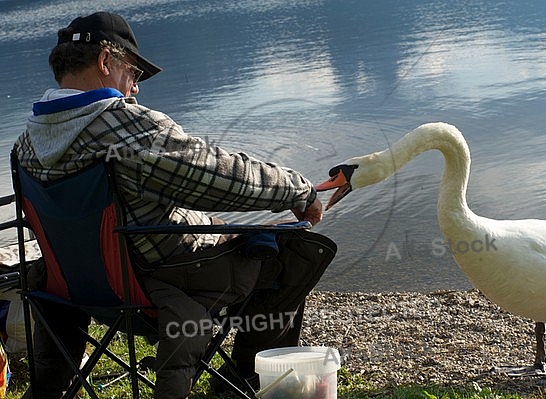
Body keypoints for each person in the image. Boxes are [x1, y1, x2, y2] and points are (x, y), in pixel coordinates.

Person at [14, 11, 336, 399]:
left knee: (226, 228)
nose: (134, 89)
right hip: (158, 283)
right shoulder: (122, 126)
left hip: (76, 287)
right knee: (294, 251)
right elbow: (215, 174)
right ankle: (243, 382)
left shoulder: (26, 146)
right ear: (104, 62)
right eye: (133, 74)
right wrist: (297, 190)